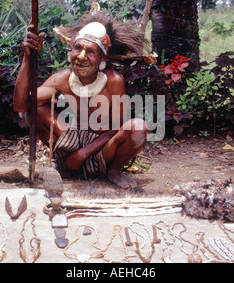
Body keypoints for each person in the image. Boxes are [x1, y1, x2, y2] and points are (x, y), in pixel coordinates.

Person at [13, 13, 148, 189]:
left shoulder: (114, 81)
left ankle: (113, 171)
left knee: (138, 127)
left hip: (103, 152)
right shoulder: (62, 79)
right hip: (70, 147)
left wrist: (83, 153)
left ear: (102, 58)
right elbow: (21, 106)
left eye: (90, 51)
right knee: (35, 111)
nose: (81, 56)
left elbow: (117, 127)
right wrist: (28, 57)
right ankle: (66, 167)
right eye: (77, 48)